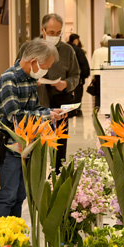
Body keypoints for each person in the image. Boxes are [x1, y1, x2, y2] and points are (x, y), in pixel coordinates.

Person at [0, 40, 65, 217]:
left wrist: (50, 112)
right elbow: (15, 117)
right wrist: (46, 115)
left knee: (20, 195)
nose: (46, 71)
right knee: (8, 195)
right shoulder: (9, 79)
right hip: (9, 146)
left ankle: (15, 231)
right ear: (34, 62)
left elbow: (34, 108)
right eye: (46, 67)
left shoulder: (30, 79)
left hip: (26, 145)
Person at [35, 13, 80, 170]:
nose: (54, 36)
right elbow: (19, 72)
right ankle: (36, 177)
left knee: (59, 144)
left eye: (58, 33)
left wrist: (66, 84)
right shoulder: (31, 48)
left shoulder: (67, 50)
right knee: (37, 144)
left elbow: (76, 75)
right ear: (43, 29)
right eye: (51, 32)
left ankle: (58, 174)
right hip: (37, 103)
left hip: (60, 102)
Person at [68, 33, 91, 113]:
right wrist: (85, 74)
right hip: (78, 76)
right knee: (78, 93)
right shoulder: (78, 50)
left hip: (67, 76)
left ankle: (69, 109)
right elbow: (83, 63)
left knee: (69, 92)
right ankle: (77, 109)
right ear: (76, 40)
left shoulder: (66, 49)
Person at [89, 35, 111, 109]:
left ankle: (97, 107)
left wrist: (92, 76)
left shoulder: (96, 51)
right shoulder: (110, 51)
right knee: (107, 92)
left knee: (98, 93)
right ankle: (107, 109)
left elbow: (93, 63)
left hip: (97, 74)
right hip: (108, 74)